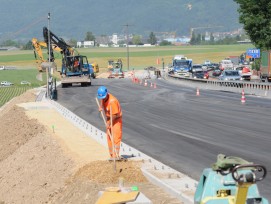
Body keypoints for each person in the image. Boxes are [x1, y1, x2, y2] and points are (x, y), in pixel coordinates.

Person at [97, 86, 122, 159]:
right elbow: (102, 100)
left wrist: (109, 123)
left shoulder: (112, 101)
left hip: (116, 119)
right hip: (109, 118)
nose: (102, 98)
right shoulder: (103, 98)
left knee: (116, 137)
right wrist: (101, 106)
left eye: (104, 97)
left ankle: (116, 155)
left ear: (107, 94)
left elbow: (114, 115)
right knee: (109, 137)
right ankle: (112, 156)